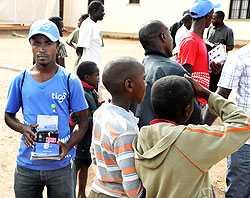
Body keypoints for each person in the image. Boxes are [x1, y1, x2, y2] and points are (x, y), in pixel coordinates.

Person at [4, 19, 88, 198]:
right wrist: (23, 128)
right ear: (31, 45)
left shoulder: (70, 81)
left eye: (48, 43)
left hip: (61, 166)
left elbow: (83, 121)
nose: (42, 48)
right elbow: (8, 116)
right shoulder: (21, 80)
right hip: (27, 166)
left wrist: (68, 145)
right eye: (37, 43)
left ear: (57, 45)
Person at [133, 74, 250, 198]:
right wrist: (207, 94)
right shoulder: (192, 140)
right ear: (187, 111)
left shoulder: (141, 137)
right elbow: (243, 123)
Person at [89, 56, 145, 198]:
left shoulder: (101, 111)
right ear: (129, 85)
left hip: (97, 190)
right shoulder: (125, 130)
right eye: (143, 79)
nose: (146, 84)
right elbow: (132, 189)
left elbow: (94, 157)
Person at [134, 20, 203, 128]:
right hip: (167, 138)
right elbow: (193, 116)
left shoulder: (138, 66)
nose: (172, 39)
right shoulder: (174, 70)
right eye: (170, 34)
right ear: (163, 37)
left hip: (143, 134)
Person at [203, 44, 250, 198]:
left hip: (243, 139)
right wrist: (201, 128)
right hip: (245, 143)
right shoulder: (240, 58)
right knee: (238, 191)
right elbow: (221, 96)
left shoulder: (240, 57)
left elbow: (219, 97)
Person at [177, 0, 221, 107]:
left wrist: (211, 70)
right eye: (212, 14)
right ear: (207, 16)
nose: (212, 18)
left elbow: (197, 71)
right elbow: (186, 75)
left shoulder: (198, 39)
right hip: (194, 102)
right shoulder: (191, 41)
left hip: (199, 100)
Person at [69, 61, 100, 198]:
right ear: (87, 77)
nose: (98, 78)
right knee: (77, 164)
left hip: (89, 135)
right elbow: (76, 116)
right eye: (96, 75)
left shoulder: (92, 91)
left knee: (85, 164)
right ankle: (71, 192)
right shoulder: (80, 92)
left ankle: (81, 193)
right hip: (80, 135)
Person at [206, 10, 234, 92]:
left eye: (214, 19)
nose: (212, 20)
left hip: (218, 62)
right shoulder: (211, 28)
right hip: (208, 59)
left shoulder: (228, 31)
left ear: (220, 19)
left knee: (215, 83)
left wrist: (220, 48)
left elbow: (231, 46)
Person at [77, 1, 105, 68]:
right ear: (95, 11)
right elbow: (80, 47)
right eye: (102, 11)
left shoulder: (93, 25)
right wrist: (86, 66)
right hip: (88, 67)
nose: (104, 13)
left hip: (94, 66)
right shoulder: (87, 25)